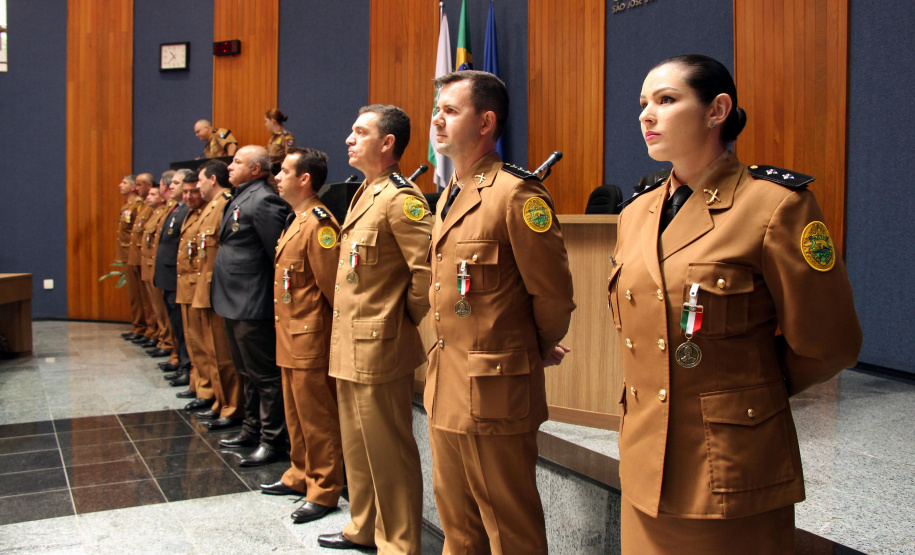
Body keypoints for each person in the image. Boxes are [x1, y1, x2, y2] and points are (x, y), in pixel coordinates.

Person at [609, 54, 862, 554]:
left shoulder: (775, 205)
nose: (646, 115)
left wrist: (751, 390)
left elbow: (831, 343)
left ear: (716, 110)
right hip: (644, 459)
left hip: (730, 462)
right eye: (643, 103)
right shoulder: (636, 212)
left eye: (666, 99)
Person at [426, 70, 576, 555]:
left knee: (509, 529)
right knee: (458, 524)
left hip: (494, 389)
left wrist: (533, 345)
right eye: (437, 109)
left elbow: (552, 294)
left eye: (451, 110)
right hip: (446, 382)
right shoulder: (449, 194)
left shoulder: (516, 194)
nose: (437, 119)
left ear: (486, 121)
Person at [317, 105, 432, 553]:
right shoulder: (366, 192)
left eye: (360, 132)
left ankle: (399, 543)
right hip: (349, 343)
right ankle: (362, 527)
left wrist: (399, 318)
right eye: (350, 131)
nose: (349, 138)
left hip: (380, 345)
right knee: (359, 447)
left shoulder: (402, 199)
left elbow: (426, 271)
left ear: (387, 143)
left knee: (389, 452)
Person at [260, 147, 345, 525]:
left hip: (311, 336)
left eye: (284, 171)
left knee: (317, 418)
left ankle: (325, 488)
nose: (277, 177)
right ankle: (299, 474)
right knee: (296, 415)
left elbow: (332, 289)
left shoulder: (319, 223)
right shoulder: (297, 219)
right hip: (289, 333)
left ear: (304, 179)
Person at [211, 145, 290, 466]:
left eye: (237, 162)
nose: (229, 167)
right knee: (246, 371)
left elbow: (278, 256)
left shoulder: (264, 199)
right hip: (234, 301)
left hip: (252, 302)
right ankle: (251, 428)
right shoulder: (241, 195)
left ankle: (272, 440)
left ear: (256, 170)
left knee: (265, 376)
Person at [188, 159, 245, 430]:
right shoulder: (210, 207)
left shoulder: (224, 204)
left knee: (223, 354)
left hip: (217, 288)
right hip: (204, 287)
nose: (196, 186)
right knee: (211, 350)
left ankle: (232, 406)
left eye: (200, 180)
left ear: (212, 179)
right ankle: (219, 401)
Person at [174, 171, 212, 412]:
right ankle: (197, 383)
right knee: (193, 342)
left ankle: (207, 389)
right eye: (185, 192)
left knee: (203, 344)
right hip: (186, 286)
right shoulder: (191, 214)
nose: (188, 196)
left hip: (199, 286)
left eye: (193, 191)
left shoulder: (208, 213)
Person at [154, 170, 193, 386]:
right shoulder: (176, 208)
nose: (171, 187)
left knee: (182, 326)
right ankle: (180, 361)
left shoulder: (186, 210)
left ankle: (186, 366)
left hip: (177, 278)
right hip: (168, 277)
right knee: (176, 326)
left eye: (176, 183)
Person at [141, 172, 179, 364]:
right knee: (159, 308)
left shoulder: (172, 209)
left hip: (164, 268)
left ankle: (169, 345)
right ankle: (165, 341)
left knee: (166, 310)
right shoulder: (163, 210)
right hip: (153, 264)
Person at [116, 175, 145, 341]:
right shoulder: (127, 205)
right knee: (134, 294)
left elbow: (138, 232)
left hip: (133, 255)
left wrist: (136, 257)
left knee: (139, 294)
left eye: (125, 182)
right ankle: (138, 325)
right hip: (126, 254)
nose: (120, 185)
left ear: (134, 187)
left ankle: (143, 327)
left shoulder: (139, 205)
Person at [265, 108, 296, 173]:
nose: (265, 124)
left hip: (279, 172)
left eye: (266, 121)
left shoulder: (286, 136)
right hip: (270, 171)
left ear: (272, 120)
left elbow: (290, 155)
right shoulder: (273, 136)